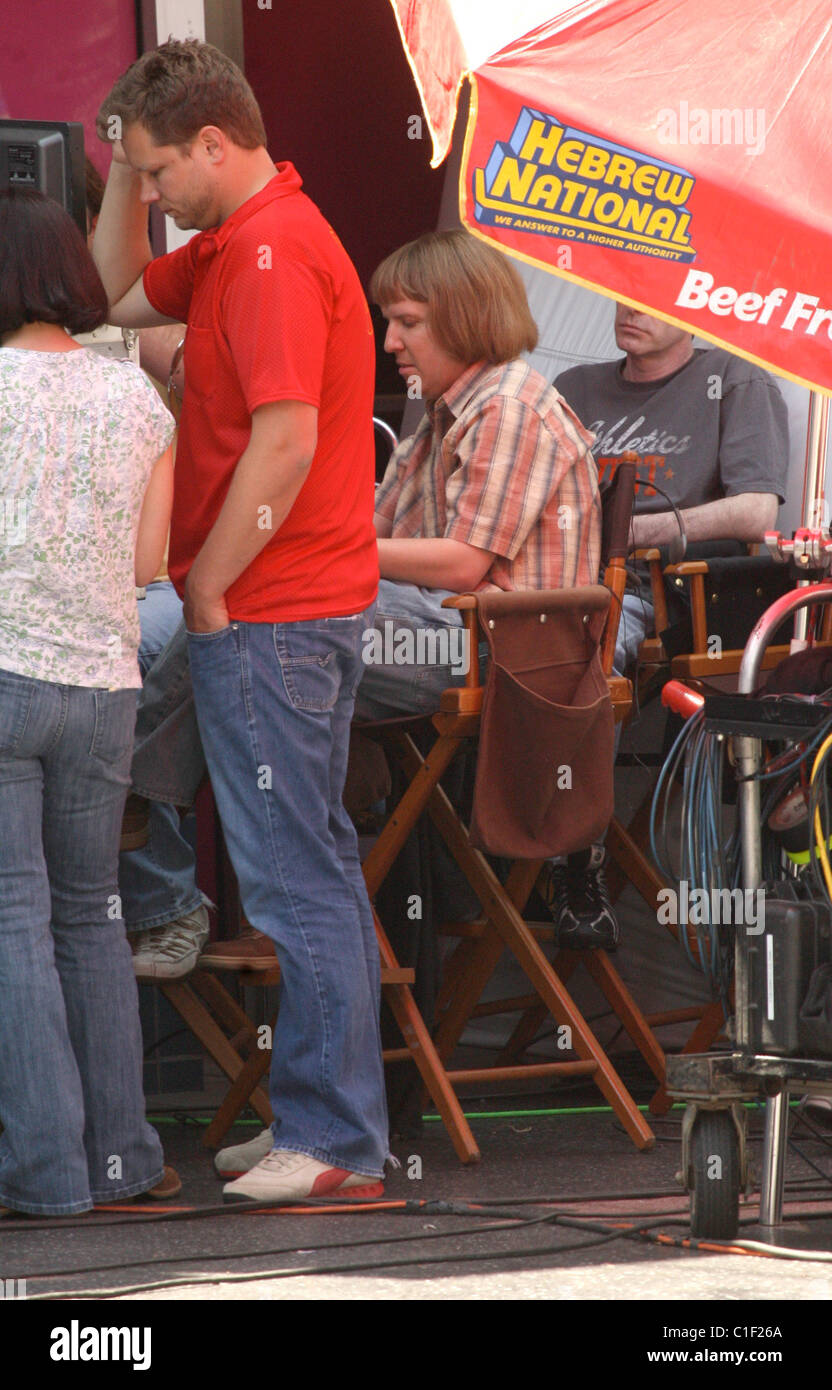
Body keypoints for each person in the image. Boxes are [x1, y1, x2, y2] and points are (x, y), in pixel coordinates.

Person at [94, 38, 388, 1204]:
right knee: (302, 870)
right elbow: (109, 292)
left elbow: (287, 438)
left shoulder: (263, 251)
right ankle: (321, 1127)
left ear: (217, 144)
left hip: (271, 609)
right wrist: (120, 156)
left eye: (162, 172)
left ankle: (332, 1142)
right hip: (281, 607)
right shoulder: (240, 238)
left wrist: (209, 586)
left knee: (293, 879)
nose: (152, 197)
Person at [0, 187, 178, 1215]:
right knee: (91, 916)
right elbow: (151, 561)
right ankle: (123, 1157)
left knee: (13, 919)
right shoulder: (135, 399)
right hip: (105, 683)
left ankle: (45, 1174)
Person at [551, 301, 789, 946]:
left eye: (655, 298)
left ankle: (575, 852)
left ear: (698, 308)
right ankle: (507, 820)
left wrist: (632, 533)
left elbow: (755, 511)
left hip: (665, 592)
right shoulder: (573, 388)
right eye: (624, 294)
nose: (631, 310)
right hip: (552, 574)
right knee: (497, 635)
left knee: (581, 646)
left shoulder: (736, 379)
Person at [356, 228, 602, 721]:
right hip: (462, 633)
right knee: (267, 620)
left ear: (464, 320)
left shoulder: (507, 406)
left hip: (505, 652)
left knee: (280, 626)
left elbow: (462, 564)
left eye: (408, 322)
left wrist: (322, 554)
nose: (389, 343)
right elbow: (369, 530)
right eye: (388, 322)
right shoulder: (443, 411)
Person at [87, 155, 210, 980]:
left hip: (152, 577)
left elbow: (212, 373)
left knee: (124, 650)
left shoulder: (123, 326)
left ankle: (167, 902)